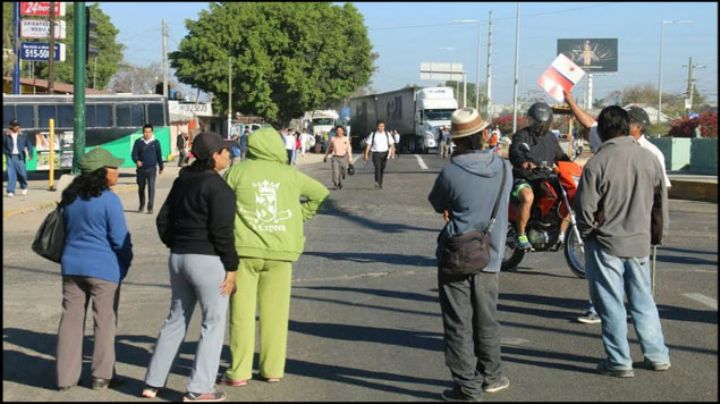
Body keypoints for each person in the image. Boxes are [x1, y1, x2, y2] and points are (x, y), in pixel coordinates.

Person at [220, 127, 329, 387]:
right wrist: (301, 215)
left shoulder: (236, 172)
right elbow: (320, 193)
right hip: (281, 252)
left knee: (241, 314)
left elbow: (222, 205)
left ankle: (239, 371)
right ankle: (272, 369)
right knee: (276, 315)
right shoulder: (290, 174)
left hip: (244, 252)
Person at [574, 106, 670, 378]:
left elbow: (584, 208)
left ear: (603, 132)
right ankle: (657, 355)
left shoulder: (598, 163)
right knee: (644, 300)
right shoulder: (649, 159)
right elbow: (660, 204)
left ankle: (619, 360)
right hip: (640, 242)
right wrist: (654, 236)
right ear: (628, 128)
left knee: (611, 302)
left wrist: (589, 233)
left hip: (607, 243)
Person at [562, 89, 672, 324]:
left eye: (629, 121)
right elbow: (589, 124)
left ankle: (623, 355)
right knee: (605, 286)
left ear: (638, 127)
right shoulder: (607, 143)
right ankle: (597, 310)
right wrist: (571, 101)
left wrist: (656, 230)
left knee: (636, 292)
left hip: (634, 230)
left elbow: (661, 195)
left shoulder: (652, 154)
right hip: (610, 229)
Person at [143, 132, 238, 402]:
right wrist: (232, 266)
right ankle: (199, 389)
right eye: (225, 151)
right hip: (208, 261)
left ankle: (153, 382)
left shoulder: (182, 181)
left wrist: (177, 243)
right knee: (213, 323)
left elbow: (163, 219)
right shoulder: (219, 188)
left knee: (176, 319)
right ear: (215, 155)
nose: (229, 155)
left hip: (179, 257)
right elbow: (223, 232)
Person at [428, 108, 512, 401]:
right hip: (492, 256)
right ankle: (493, 375)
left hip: (457, 256)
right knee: (487, 319)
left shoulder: (451, 171)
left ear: (456, 140)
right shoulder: (504, 168)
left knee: (458, 322)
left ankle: (467, 386)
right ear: (484, 135)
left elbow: (438, 203)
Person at [56, 147, 133, 391]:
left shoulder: (70, 197)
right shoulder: (109, 200)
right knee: (105, 322)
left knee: (70, 321)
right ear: (102, 173)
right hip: (103, 269)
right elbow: (120, 238)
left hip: (71, 266)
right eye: (113, 168)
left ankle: (65, 378)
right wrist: (124, 263)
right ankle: (102, 374)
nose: (117, 172)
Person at [508, 102, 571, 251]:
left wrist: (572, 166)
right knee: (528, 196)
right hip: (524, 178)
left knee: (568, 194)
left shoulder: (551, 138)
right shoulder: (522, 135)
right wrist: (523, 162)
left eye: (542, 124)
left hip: (545, 178)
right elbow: (515, 151)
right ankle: (521, 235)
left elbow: (560, 156)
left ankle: (559, 233)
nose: (539, 126)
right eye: (536, 123)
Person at [131, 124, 164, 214]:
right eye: (145, 132)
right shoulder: (138, 142)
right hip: (141, 170)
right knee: (141, 187)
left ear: (152, 132)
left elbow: (159, 155)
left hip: (152, 169)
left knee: (151, 187)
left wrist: (161, 166)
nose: (147, 134)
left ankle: (150, 207)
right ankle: (142, 204)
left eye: (149, 132)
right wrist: (137, 160)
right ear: (143, 132)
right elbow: (133, 154)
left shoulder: (156, 142)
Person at [3, 119, 34, 197]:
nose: (16, 127)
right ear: (11, 126)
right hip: (10, 157)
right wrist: (5, 152)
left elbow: (29, 145)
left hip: (20, 157)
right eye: (14, 126)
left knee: (22, 174)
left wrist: (30, 154)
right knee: (11, 174)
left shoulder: (23, 135)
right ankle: (10, 191)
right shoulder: (6, 135)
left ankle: (23, 186)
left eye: (17, 125)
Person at [363, 120, 395, 189]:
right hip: (376, 153)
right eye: (380, 126)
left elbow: (392, 144)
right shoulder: (373, 134)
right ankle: (377, 181)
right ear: (377, 126)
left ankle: (380, 183)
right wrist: (366, 154)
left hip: (385, 153)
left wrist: (393, 153)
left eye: (383, 126)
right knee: (377, 168)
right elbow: (368, 144)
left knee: (382, 168)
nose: (381, 127)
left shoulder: (387, 134)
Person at [323, 125, 353, 190]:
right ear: (336, 132)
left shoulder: (346, 139)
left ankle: (342, 177)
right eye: (338, 131)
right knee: (335, 171)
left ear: (343, 131)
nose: (339, 132)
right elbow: (329, 148)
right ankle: (336, 183)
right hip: (335, 157)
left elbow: (349, 149)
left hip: (343, 157)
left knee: (343, 171)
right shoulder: (333, 139)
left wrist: (350, 158)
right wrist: (325, 156)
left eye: (340, 131)